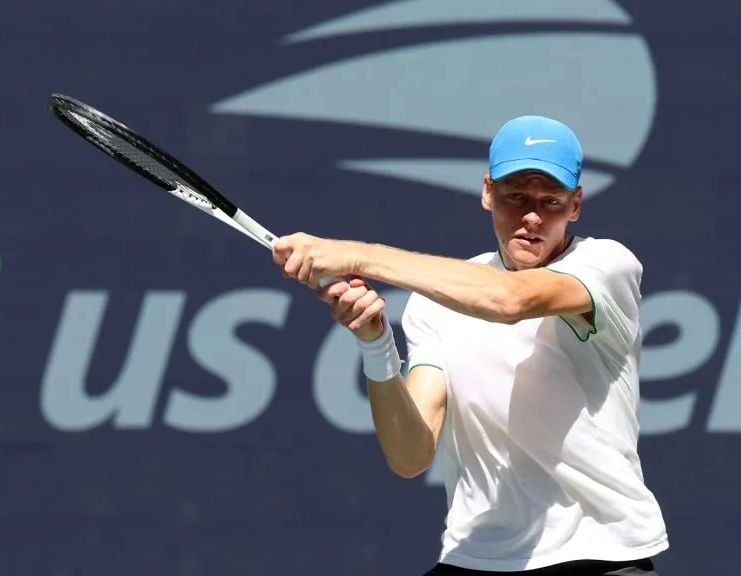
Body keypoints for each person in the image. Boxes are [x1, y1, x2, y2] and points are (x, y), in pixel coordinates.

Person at [272, 115, 669, 575]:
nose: (533, 216)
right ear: (487, 193)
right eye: (516, 197)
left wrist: (357, 254)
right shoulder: (436, 304)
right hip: (476, 556)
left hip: (600, 554)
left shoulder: (607, 265)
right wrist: (376, 344)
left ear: (575, 204)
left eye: (551, 201)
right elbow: (410, 455)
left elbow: (509, 299)